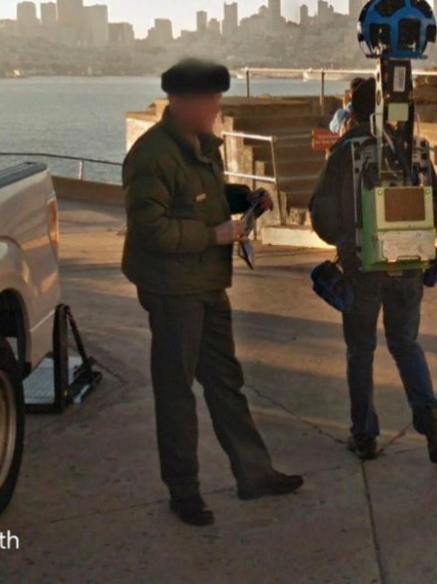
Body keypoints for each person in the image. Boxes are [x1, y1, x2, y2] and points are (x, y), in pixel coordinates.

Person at [122, 58, 303, 527]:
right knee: (176, 393)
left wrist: (244, 198)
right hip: (172, 292)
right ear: (183, 103)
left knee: (226, 383)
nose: (217, 108)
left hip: (207, 285)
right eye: (211, 100)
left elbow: (206, 193)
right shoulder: (150, 157)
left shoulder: (202, 146)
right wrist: (215, 235)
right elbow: (153, 231)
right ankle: (184, 492)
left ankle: (255, 474)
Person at [309, 78, 437, 463]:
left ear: (353, 110)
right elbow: (436, 208)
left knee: (361, 351)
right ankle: (429, 415)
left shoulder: (346, 152)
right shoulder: (412, 148)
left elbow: (321, 215)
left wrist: (344, 237)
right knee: (406, 344)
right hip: (409, 266)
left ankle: (365, 434)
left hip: (361, 268)